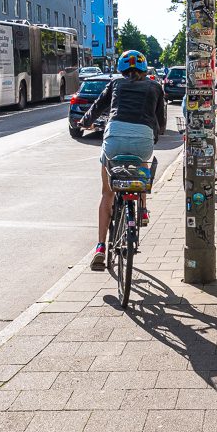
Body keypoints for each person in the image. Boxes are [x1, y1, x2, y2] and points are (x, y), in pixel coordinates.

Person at [80, 50, 167, 271]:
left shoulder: (116, 84)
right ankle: (143, 209)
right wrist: (155, 133)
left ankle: (100, 246)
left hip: (114, 139)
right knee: (139, 171)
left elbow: (98, 105)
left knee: (107, 193)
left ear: (121, 68)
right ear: (145, 69)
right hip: (143, 141)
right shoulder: (155, 86)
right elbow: (161, 122)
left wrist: (84, 121)